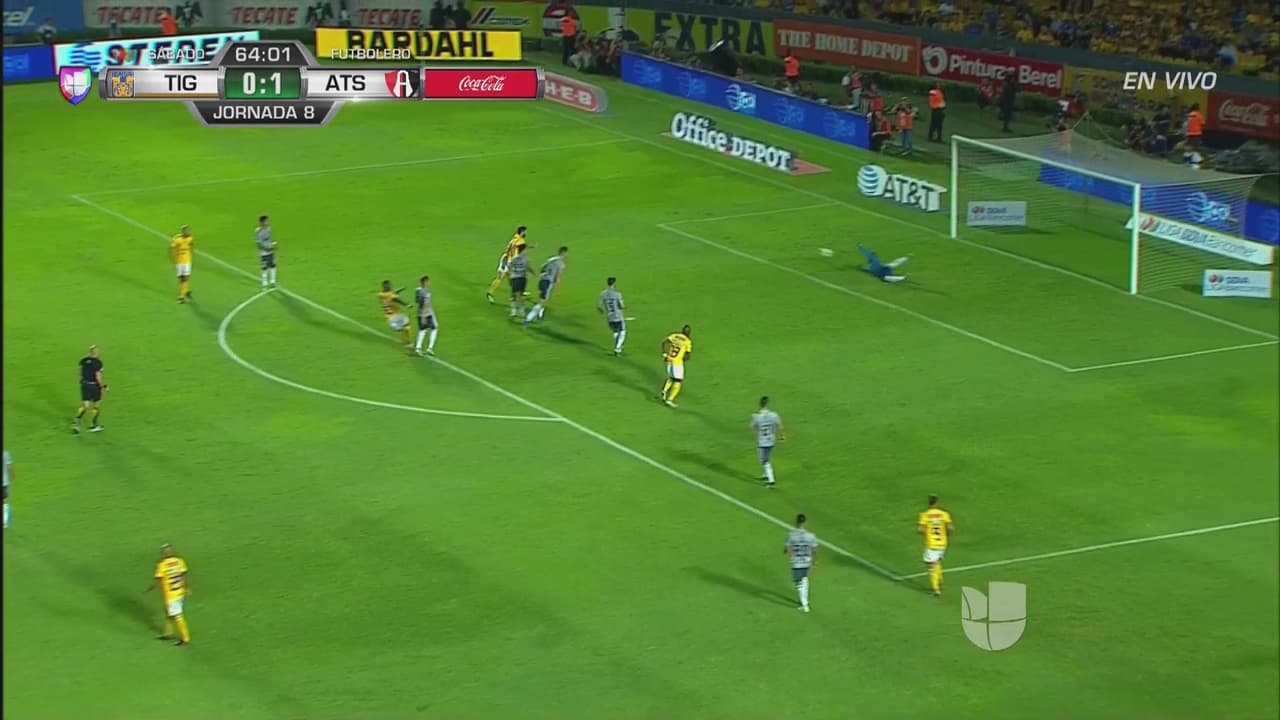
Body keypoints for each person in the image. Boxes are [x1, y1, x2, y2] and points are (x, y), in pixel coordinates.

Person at [148, 544, 191, 645]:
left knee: (177, 615)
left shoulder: (162, 565)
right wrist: (187, 587)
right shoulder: (179, 561)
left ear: (164, 554)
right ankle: (168, 633)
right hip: (180, 592)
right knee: (169, 612)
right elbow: (184, 574)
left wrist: (152, 588)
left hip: (171, 595)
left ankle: (185, 639)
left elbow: (158, 579)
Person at [918, 495, 954, 598]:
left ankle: (936, 589)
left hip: (932, 544)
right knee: (937, 562)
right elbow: (951, 528)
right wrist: (946, 535)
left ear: (929, 504)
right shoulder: (944, 514)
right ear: (937, 503)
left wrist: (925, 531)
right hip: (943, 543)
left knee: (931, 566)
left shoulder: (925, 515)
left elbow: (920, 530)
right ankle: (940, 581)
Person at [524, 246, 568, 325]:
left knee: (544, 300)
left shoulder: (551, 259)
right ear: (563, 253)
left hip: (542, 280)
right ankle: (528, 318)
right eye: (566, 253)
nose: (567, 255)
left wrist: (544, 274)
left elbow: (541, 268)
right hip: (548, 283)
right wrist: (558, 289)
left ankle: (540, 314)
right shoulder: (561, 264)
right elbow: (558, 277)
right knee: (542, 302)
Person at [784, 513, 818, 613]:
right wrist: (815, 560)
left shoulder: (792, 535)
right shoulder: (811, 536)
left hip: (797, 562)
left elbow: (787, 548)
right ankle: (805, 601)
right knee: (804, 579)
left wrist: (790, 554)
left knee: (798, 582)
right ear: (805, 522)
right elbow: (814, 549)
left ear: (796, 522)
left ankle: (805, 605)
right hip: (807, 562)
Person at [486, 226, 528, 303]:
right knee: (501, 277)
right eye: (525, 231)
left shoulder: (515, 237)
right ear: (522, 232)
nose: (526, 233)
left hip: (506, 258)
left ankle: (518, 292)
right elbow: (520, 251)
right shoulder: (521, 241)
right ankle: (490, 293)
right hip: (509, 261)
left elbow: (515, 247)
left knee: (512, 277)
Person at [751, 396, 785, 488]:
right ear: (767, 404)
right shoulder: (774, 415)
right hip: (772, 440)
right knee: (766, 458)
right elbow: (780, 426)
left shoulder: (756, 417)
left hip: (763, 442)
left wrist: (759, 431)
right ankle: (766, 474)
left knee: (765, 461)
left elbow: (752, 428)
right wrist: (782, 437)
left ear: (760, 404)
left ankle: (771, 481)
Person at [73, 345, 107, 434]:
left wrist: (83, 379)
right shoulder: (98, 363)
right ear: (97, 353)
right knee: (96, 405)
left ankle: (77, 422)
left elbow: (79, 371)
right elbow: (98, 377)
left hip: (84, 384)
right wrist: (103, 386)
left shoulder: (83, 360)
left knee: (85, 406)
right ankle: (94, 425)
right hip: (94, 386)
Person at [659, 324, 692, 407]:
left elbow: (665, 342)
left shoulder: (675, 336)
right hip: (677, 364)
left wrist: (664, 353)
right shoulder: (687, 341)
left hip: (669, 360)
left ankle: (664, 390)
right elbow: (687, 355)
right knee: (678, 381)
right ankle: (670, 400)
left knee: (671, 378)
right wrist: (684, 358)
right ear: (689, 333)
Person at [377, 281, 413, 349]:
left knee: (403, 328)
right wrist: (407, 305)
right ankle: (409, 343)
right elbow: (396, 299)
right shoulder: (391, 295)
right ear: (387, 287)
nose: (391, 286)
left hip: (389, 318)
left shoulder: (380, 295)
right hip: (397, 315)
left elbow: (392, 295)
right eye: (389, 286)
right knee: (406, 327)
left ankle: (408, 342)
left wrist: (399, 290)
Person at [597, 277, 626, 356]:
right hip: (618, 316)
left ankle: (618, 347)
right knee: (622, 331)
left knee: (615, 332)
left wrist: (602, 312)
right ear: (614, 283)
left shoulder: (603, 294)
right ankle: (617, 349)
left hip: (610, 317)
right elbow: (621, 306)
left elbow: (599, 306)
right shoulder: (617, 294)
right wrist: (624, 307)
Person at [414, 275, 439, 356]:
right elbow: (421, 303)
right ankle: (423, 348)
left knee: (431, 329)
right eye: (428, 281)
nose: (429, 283)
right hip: (425, 314)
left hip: (428, 313)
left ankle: (423, 348)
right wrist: (423, 316)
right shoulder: (422, 292)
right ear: (425, 282)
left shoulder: (423, 290)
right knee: (425, 330)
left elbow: (418, 301)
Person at [169, 225, 194, 303]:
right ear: (183, 231)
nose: (189, 232)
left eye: (189, 231)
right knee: (181, 278)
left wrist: (191, 254)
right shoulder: (177, 239)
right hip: (179, 261)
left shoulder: (190, 238)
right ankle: (187, 290)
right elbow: (172, 248)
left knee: (185, 278)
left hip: (187, 261)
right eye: (187, 231)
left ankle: (182, 296)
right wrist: (172, 258)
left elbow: (191, 245)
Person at [507, 244, 531, 319]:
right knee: (515, 295)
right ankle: (515, 311)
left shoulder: (524, 259)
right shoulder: (517, 259)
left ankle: (519, 310)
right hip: (516, 278)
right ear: (522, 251)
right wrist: (510, 276)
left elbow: (527, 267)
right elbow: (509, 268)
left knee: (520, 295)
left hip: (522, 278)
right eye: (526, 250)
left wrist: (531, 272)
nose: (527, 251)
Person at [256, 215, 277, 290]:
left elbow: (270, 239)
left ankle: (273, 281)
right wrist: (266, 249)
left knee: (273, 265)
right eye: (266, 221)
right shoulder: (259, 232)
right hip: (264, 253)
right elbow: (259, 244)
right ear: (262, 222)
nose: (268, 222)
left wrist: (273, 245)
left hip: (270, 251)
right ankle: (264, 283)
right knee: (264, 267)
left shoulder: (269, 229)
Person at [3, 449, 12, 529]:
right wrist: (13, 476)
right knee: (5, 502)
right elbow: (9, 467)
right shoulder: (6, 454)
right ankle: (4, 523)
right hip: (4, 483)